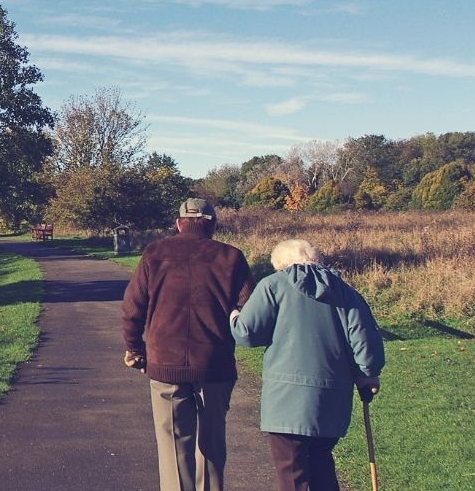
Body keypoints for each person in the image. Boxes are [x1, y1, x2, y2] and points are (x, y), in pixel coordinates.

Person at [121, 198, 256, 491]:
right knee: (212, 441)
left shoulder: (155, 254)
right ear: (213, 225)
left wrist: (134, 348)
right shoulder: (232, 257)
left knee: (172, 444)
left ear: (179, 223)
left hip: (165, 362)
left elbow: (132, 308)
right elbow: (249, 311)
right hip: (215, 364)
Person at [230, 239, 385, 491]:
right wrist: (368, 375)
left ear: (280, 264)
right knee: (322, 464)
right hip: (332, 399)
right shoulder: (346, 292)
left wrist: (234, 316)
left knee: (292, 472)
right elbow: (365, 343)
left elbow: (247, 333)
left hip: (285, 401)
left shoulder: (273, 285)